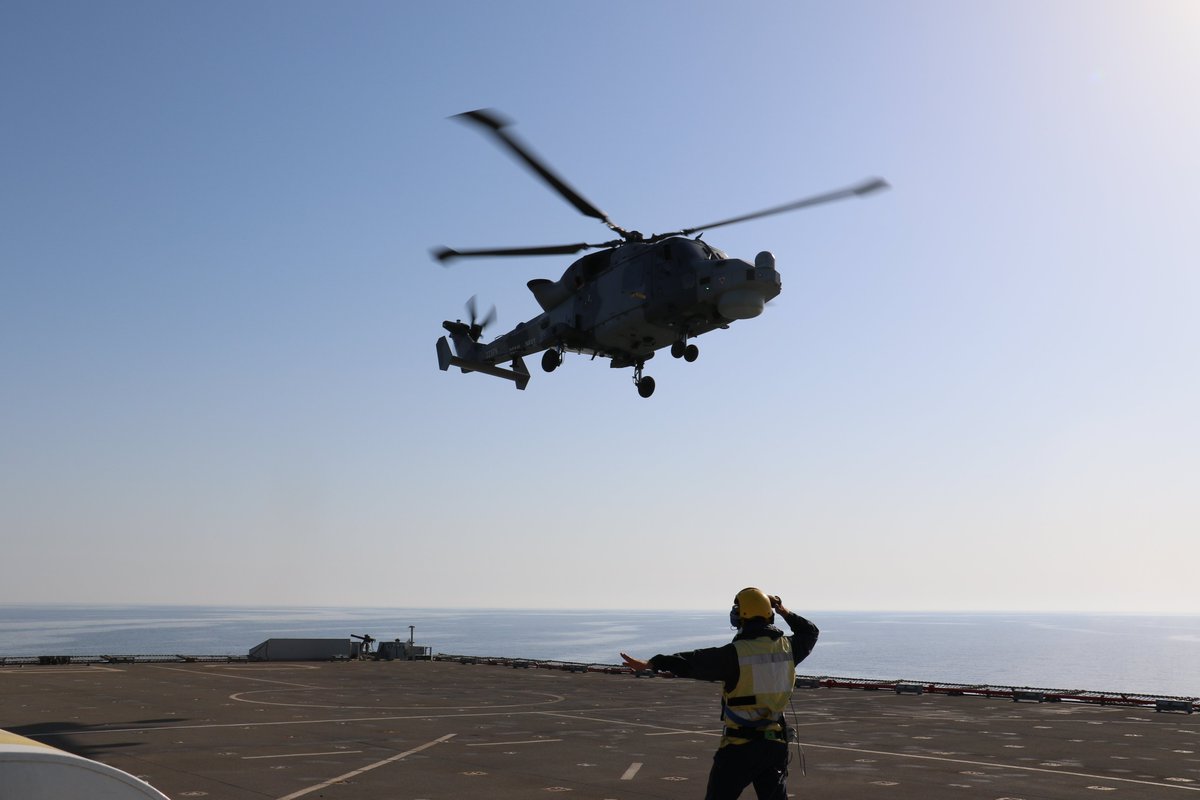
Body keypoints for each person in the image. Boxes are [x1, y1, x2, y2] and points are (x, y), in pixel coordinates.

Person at [620, 588, 819, 800]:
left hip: (739, 748)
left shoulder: (735, 654)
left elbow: (692, 662)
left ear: (740, 617)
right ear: (768, 615)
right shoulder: (788, 649)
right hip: (774, 746)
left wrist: (653, 662)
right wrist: (782, 609)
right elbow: (810, 632)